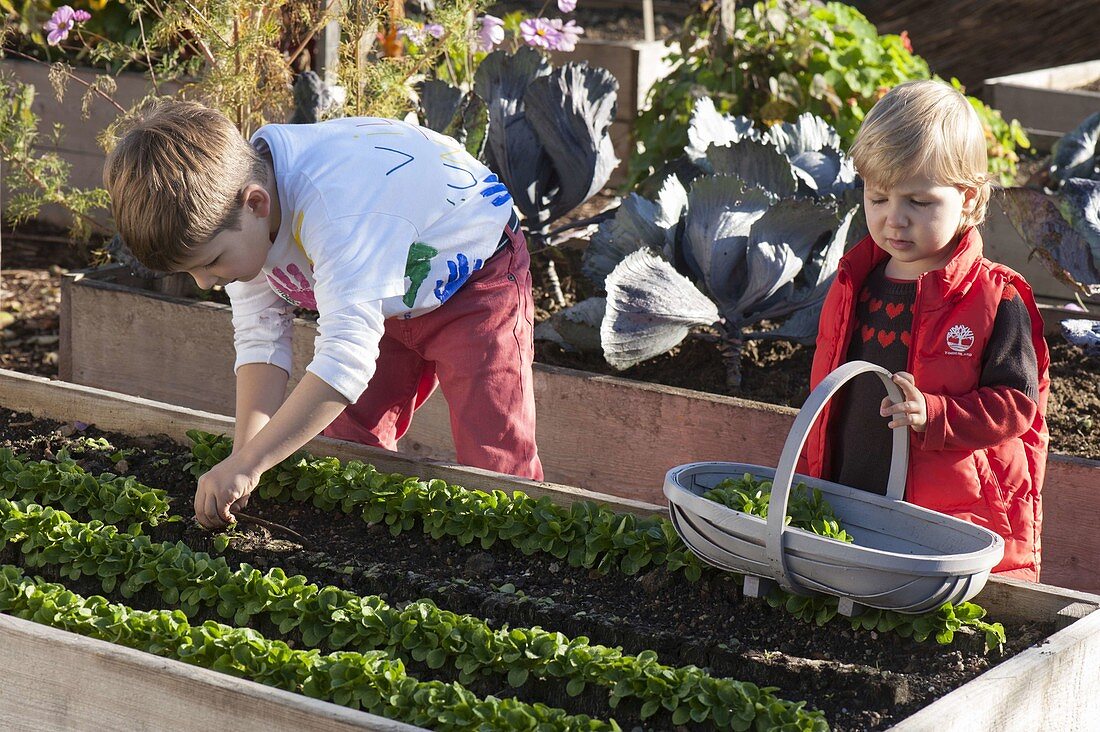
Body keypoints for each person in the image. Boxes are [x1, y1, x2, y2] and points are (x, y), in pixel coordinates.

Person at [104, 101, 543, 529]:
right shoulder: (238, 211)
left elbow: (345, 363)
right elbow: (262, 340)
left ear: (255, 204)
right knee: (349, 444)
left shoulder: (334, 210)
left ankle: (523, 562)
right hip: (380, 291)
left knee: (494, 456)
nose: (204, 283)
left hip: (475, 279)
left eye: (211, 262)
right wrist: (244, 459)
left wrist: (252, 463)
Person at [802, 80, 1050, 581]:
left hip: (948, 517)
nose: (895, 219)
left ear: (969, 198)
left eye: (918, 200)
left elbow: (1017, 405)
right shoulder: (854, 283)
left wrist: (933, 414)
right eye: (878, 197)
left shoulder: (994, 298)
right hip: (851, 484)